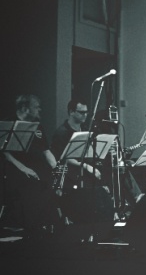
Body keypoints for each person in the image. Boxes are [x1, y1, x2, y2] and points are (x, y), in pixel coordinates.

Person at [1, 95, 61, 236]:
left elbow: (46, 151)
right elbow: (5, 153)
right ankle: (26, 227)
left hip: (34, 169)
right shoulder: (7, 123)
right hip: (13, 168)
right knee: (30, 185)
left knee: (49, 183)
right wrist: (23, 168)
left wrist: (57, 168)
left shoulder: (37, 126)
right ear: (24, 108)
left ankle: (48, 227)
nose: (40, 109)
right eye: (36, 106)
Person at [50, 99, 102, 187]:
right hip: (71, 172)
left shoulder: (85, 129)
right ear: (71, 112)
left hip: (85, 168)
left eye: (86, 112)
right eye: (82, 112)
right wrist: (86, 166)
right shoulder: (62, 132)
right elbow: (64, 157)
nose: (85, 115)